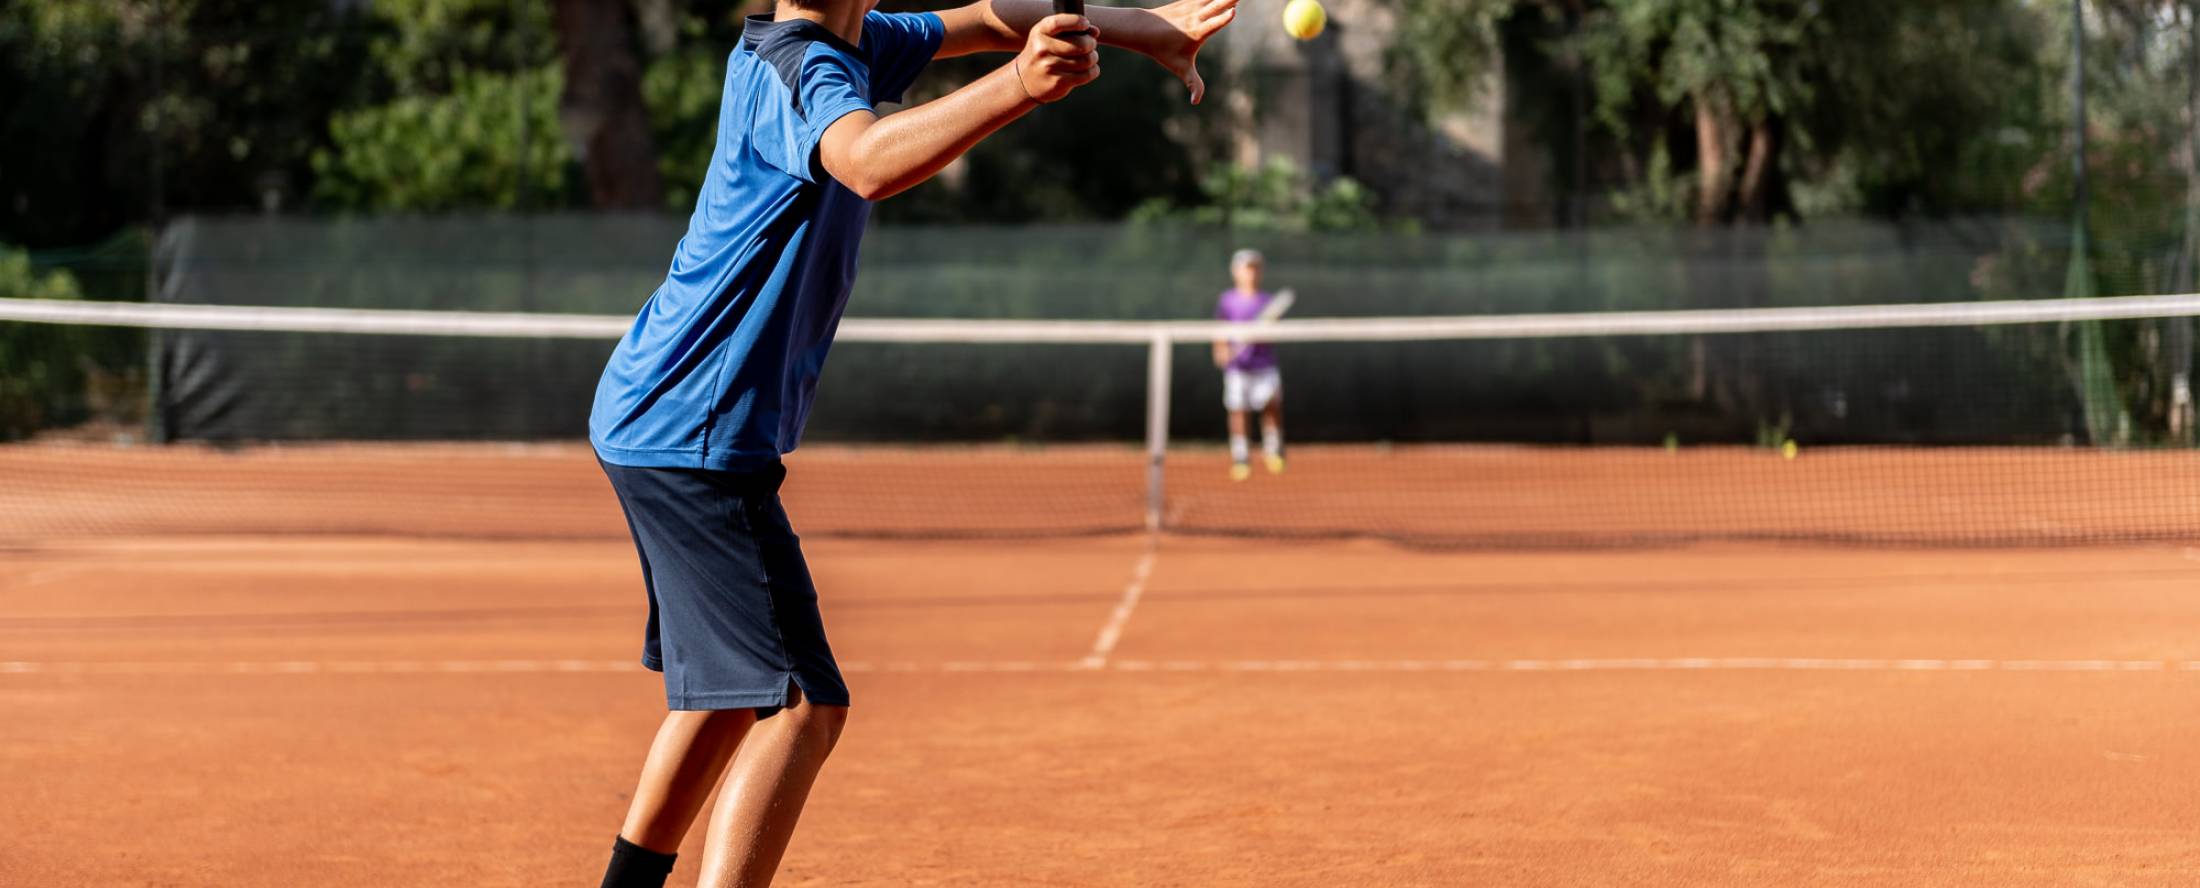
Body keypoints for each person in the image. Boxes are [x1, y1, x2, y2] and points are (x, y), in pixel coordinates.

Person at [585, 0, 1238, 885]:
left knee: (734, 697)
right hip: (693, 430)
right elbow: (867, 161)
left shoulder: (863, 40)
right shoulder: (801, 66)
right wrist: (1018, 88)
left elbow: (985, 17)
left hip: (665, 418)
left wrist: (1143, 29)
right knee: (802, 705)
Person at [1211, 248, 1285, 481]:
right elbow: (1220, 330)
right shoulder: (1227, 300)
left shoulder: (1267, 301)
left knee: (1271, 406)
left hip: (1264, 365)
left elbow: (1275, 333)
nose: (1250, 273)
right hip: (1237, 368)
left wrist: (1262, 334)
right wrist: (1221, 351)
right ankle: (1241, 456)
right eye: (1246, 267)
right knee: (1237, 410)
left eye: (1254, 268)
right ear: (1236, 271)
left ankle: (1273, 449)